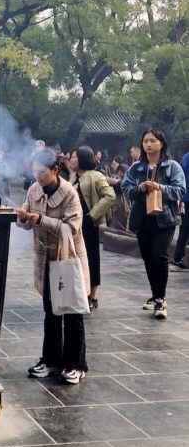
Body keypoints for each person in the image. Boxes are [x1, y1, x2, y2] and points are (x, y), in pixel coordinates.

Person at [16, 147, 90, 384]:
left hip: (67, 258)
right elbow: (27, 223)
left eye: (42, 172)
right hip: (45, 259)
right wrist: (22, 217)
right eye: (35, 171)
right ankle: (51, 361)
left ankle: (76, 364)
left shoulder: (69, 192)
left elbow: (72, 228)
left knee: (72, 311)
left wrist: (42, 220)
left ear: (55, 170)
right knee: (51, 311)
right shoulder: (33, 189)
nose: (37, 176)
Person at [121, 128, 186, 318]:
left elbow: (180, 190)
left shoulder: (172, 166)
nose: (148, 144)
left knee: (160, 257)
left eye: (153, 141)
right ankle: (155, 295)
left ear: (161, 144)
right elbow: (125, 188)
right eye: (145, 141)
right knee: (148, 257)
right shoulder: (136, 167)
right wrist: (139, 188)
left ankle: (160, 299)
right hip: (142, 218)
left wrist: (160, 187)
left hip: (165, 218)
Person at [69, 145, 115, 310]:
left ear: (82, 158)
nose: (71, 159)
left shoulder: (96, 176)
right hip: (73, 223)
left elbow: (110, 195)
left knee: (91, 258)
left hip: (88, 223)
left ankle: (92, 296)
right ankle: (77, 291)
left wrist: (94, 213)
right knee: (74, 258)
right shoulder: (73, 176)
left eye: (74, 156)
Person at [171, 147, 189, 271]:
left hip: (186, 198)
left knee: (185, 229)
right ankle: (177, 259)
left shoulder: (186, 157)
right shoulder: (187, 157)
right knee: (185, 229)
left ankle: (178, 258)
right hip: (187, 198)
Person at [108, 162, 130, 232]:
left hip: (122, 204)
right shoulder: (114, 179)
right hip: (117, 204)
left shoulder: (119, 180)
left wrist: (117, 183)